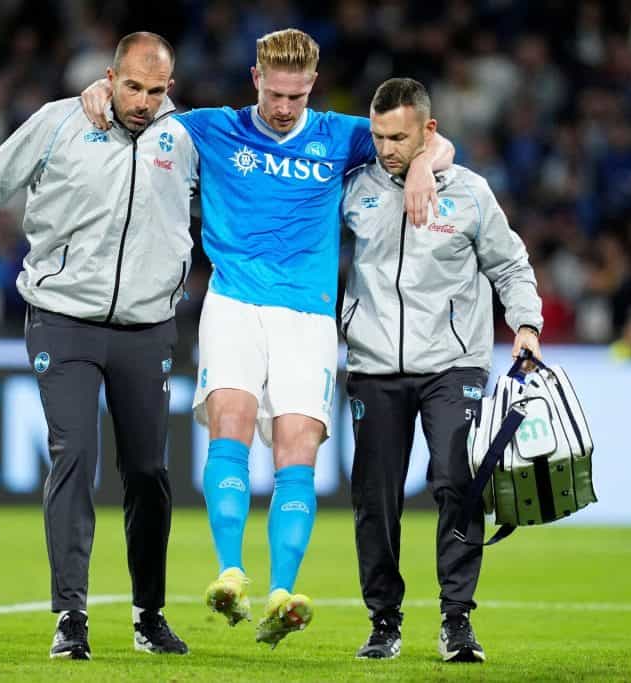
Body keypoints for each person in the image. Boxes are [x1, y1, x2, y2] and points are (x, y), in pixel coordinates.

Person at [80, 29, 454, 648]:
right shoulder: (212, 127)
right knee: (229, 427)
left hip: (308, 316)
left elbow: (437, 141)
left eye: (297, 95)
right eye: (276, 93)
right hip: (232, 304)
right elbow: (136, 107)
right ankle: (231, 574)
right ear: (256, 77)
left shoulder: (341, 135)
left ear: (313, 86)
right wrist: (97, 89)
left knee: (295, 450)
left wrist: (420, 165)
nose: (285, 107)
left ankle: (282, 592)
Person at [0, 32, 195, 659]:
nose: (141, 101)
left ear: (170, 90)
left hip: (147, 328)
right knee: (74, 455)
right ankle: (71, 615)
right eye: (131, 86)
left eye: (155, 91)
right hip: (62, 320)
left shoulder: (187, 138)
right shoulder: (59, 122)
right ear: (110, 76)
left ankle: (148, 615)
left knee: (150, 474)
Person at [339, 78, 543, 663]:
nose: (386, 149)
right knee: (374, 498)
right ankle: (384, 620)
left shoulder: (472, 194)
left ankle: (457, 620)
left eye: (399, 137)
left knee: (458, 483)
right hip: (375, 365)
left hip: (454, 365)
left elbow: (510, 264)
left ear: (429, 131)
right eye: (378, 137)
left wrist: (525, 325)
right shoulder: (353, 190)